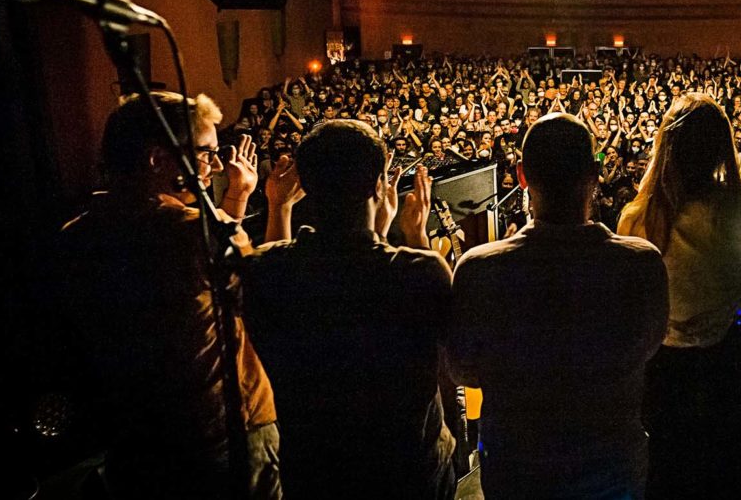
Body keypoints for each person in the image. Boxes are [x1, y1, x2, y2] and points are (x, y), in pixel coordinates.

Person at [53, 91, 280, 499]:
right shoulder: (193, 232)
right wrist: (270, 206)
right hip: (222, 434)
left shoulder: (74, 236)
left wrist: (235, 201)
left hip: (137, 441)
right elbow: (268, 300)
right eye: (206, 152)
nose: (214, 165)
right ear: (157, 159)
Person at [449, 113, 668, 499]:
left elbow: (462, 370)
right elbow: (648, 349)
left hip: (516, 468)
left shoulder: (479, 269)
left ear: (521, 175)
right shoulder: (641, 264)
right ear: (596, 174)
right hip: (611, 466)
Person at [239, 120, 457, 499]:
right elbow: (456, 353)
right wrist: (416, 237)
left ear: (304, 186)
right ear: (378, 184)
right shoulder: (418, 271)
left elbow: (283, 265)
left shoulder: (261, 271)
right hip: (406, 474)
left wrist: (278, 207)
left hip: (312, 472)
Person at [618, 21, 741, 500]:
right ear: (721, 148)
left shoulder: (638, 220)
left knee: (674, 475)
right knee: (735, 473)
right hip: (734, 362)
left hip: (666, 373)